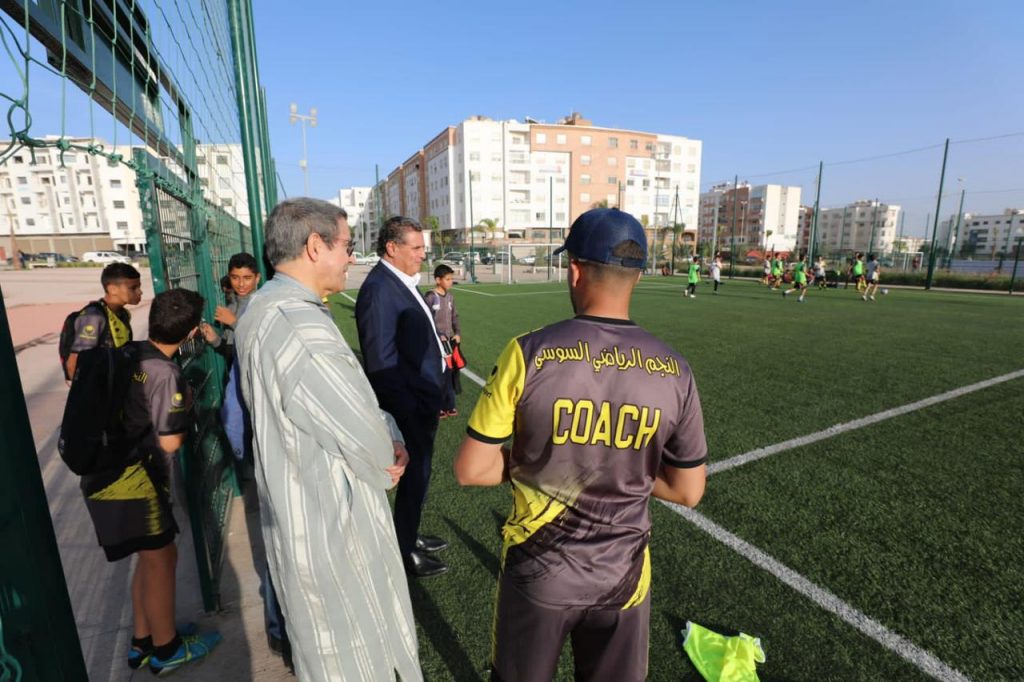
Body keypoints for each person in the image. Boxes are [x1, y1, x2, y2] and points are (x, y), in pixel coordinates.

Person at [454, 207, 708, 682]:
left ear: (574, 270)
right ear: (638, 276)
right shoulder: (676, 370)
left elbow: (472, 469)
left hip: (539, 570)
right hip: (625, 579)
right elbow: (688, 490)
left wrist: (537, 461)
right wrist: (622, 468)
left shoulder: (527, 352)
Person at [234, 198, 421, 681]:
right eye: (346, 246)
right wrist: (390, 451)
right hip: (328, 524)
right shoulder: (298, 327)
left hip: (302, 508)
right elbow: (367, 441)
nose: (350, 258)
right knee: (355, 654)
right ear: (315, 246)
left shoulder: (265, 306)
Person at [80, 288, 222, 674]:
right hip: (132, 480)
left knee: (150, 557)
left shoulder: (131, 351)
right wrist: (186, 407)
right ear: (191, 332)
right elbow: (170, 442)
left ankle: (144, 639)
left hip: (104, 472)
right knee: (162, 558)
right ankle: (166, 649)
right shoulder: (165, 373)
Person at [355, 216, 449, 578]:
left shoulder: (400, 281)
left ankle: (409, 534)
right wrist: (407, 412)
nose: (423, 254)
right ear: (392, 248)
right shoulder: (380, 290)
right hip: (409, 408)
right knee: (412, 477)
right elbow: (381, 363)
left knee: (419, 477)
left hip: (422, 400)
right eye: (417, 247)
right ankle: (403, 550)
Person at [65, 262, 142, 382]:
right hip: (101, 387)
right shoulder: (94, 316)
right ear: (112, 289)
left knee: (153, 378)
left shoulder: (123, 314)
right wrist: (84, 390)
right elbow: (74, 361)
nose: (140, 292)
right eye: (133, 288)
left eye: (139, 287)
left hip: (118, 380)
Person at [200, 252, 261, 361]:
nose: (241, 284)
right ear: (229, 277)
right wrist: (215, 339)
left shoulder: (263, 305)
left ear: (257, 278)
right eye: (235, 277)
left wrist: (234, 322)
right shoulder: (231, 307)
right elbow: (229, 352)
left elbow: (262, 345)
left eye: (247, 278)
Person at [424, 263, 462, 418]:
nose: (450, 281)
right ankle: (437, 406)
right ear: (438, 280)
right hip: (435, 342)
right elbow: (426, 319)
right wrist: (438, 334)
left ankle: (450, 405)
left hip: (448, 343)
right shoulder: (431, 297)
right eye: (447, 279)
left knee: (449, 373)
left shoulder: (450, 297)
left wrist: (457, 333)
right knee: (437, 373)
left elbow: (454, 317)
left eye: (451, 279)